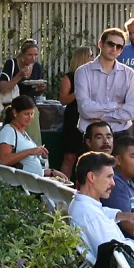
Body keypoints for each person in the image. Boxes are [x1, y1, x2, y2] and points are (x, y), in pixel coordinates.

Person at [75, 27, 134, 138]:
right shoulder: (83, 72)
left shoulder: (129, 74)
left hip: (121, 132)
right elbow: (84, 109)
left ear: (121, 50)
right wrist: (116, 105)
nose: (114, 49)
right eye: (111, 44)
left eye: (119, 46)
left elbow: (132, 111)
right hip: (91, 133)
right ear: (100, 44)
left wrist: (102, 117)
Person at [0, 95, 63, 178]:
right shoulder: (8, 131)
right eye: (26, 114)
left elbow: (29, 165)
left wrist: (52, 172)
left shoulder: (24, 133)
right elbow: (3, 160)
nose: (30, 117)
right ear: (15, 113)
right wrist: (30, 151)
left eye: (32, 113)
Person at [1, 38, 46, 143]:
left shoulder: (37, 67)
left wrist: (40, 89)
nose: (33, 58)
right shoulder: (11, 64)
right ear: (22, 54)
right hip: (13, 107)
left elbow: (35, 92)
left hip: (30, 107)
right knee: (14, 140)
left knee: (33, 140)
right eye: (30, 55)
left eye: (36, 55)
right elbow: (3, 88)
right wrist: (19, 75)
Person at [59, 46, 94, 178]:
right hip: (73, 118)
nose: (93, 58)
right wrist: (78, 91)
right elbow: (63, 100)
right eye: (90, 55)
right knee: (70, 157)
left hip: (89, 117)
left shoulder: (94, 76)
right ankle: (63, 185)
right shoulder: (69, 77)